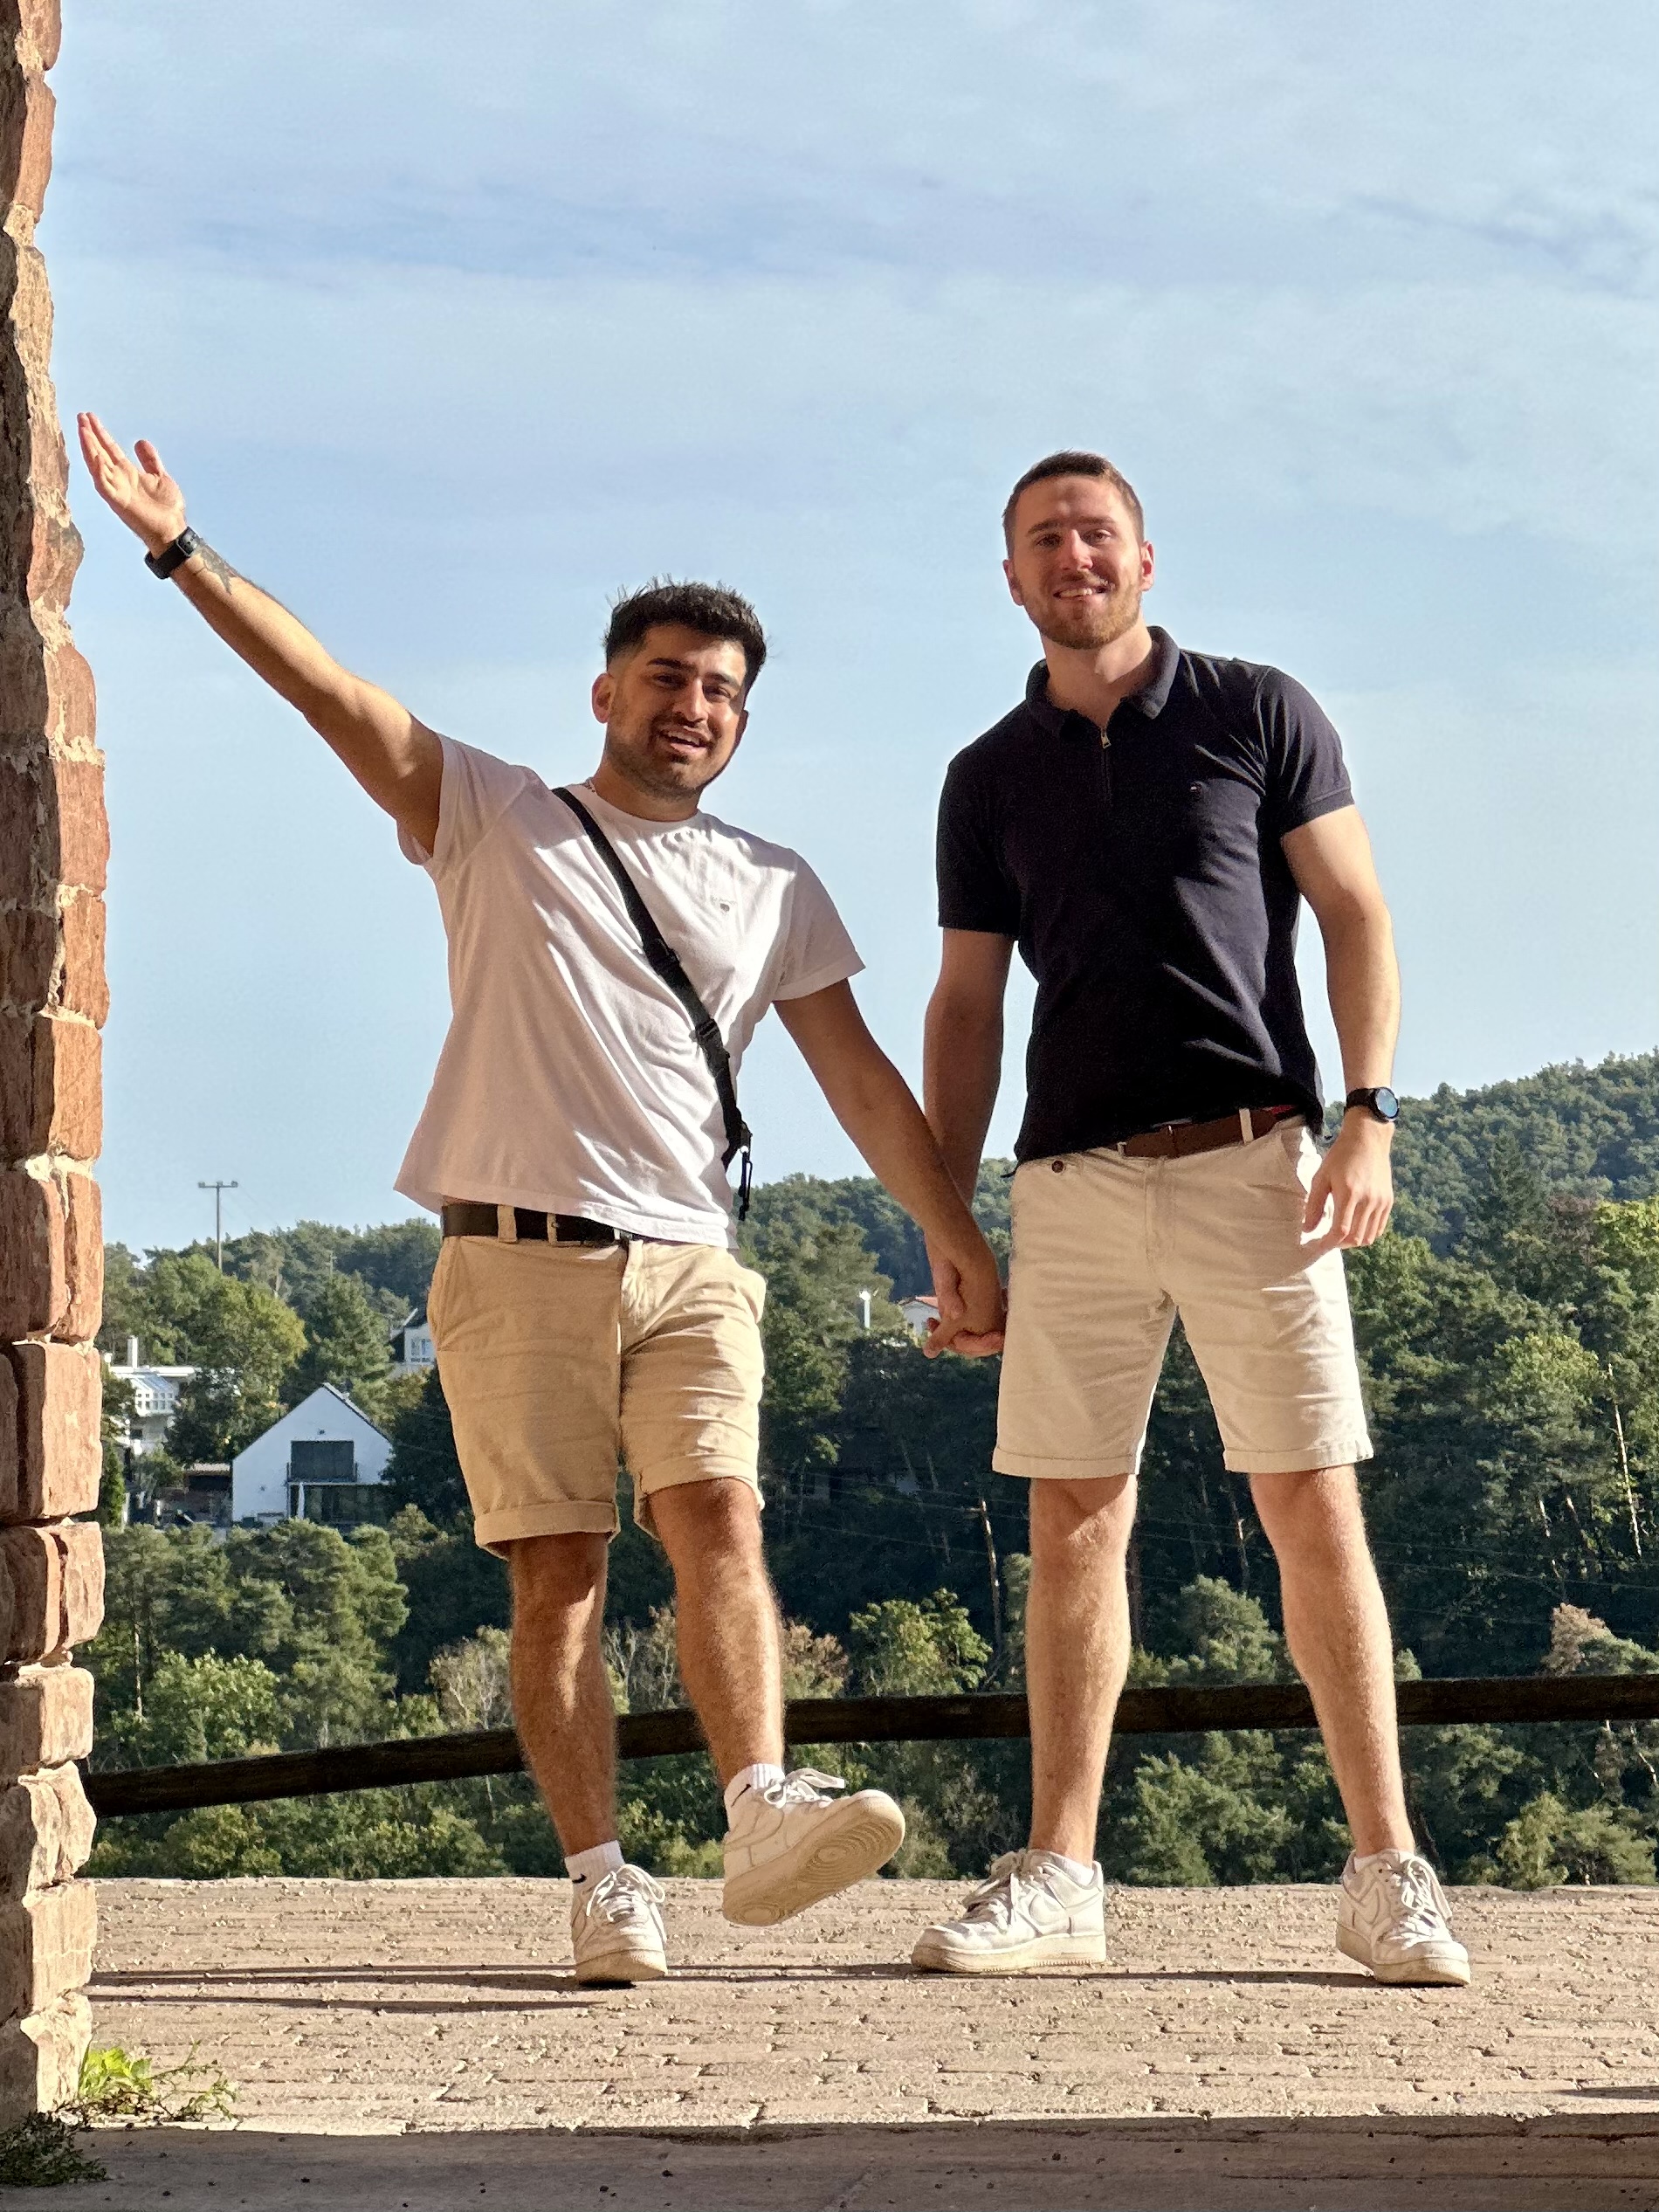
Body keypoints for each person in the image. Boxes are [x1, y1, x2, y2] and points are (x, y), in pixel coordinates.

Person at [79, 413, 1006, 1987]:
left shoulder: (774, 883)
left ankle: (761, 1806)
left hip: (695, 1257)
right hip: (517, 1258)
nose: (693, 706)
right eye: (668, 677)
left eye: (721, 691)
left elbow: (858, 1082)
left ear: (741, 720)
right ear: (606, 691)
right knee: (559, 1576)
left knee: (722, 1515)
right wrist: (179, 549)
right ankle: (602, 1883)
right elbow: (330, 694)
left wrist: (957, 1235)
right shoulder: (494, 813)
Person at [911, 449, 1469, 1988]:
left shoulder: (1257, 709)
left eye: (1096, 532)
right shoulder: (985, 775)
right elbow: (965, 1006)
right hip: (1068, 1184)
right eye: (1044, 538)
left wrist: (1371, 1113)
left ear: (1144, 558)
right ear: (1010, 578)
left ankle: (1388, 1873)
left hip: (1257, 1163)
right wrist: (950, 1218)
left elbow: (1355, 912)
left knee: (1313, 1504)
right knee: (1072, 1521)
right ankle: (1063, 1875)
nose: (1072, 555)